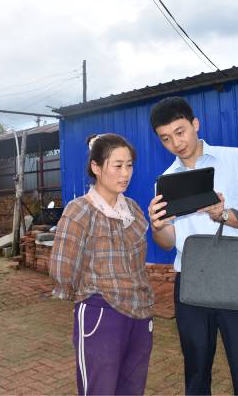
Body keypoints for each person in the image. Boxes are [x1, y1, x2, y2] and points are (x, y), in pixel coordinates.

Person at [147, 96, 238, 395]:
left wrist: (223, 214)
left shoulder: (235, 158)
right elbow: (167, 243)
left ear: (195, 124)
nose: (176, 143)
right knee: (196, 371)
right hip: (191, 281)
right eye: (165, 138)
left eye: (180, 132)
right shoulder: (166, 181)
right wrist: (157, 226)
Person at [49, 133, 154, 396]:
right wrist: (88, 295)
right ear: (96, 167)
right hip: (101, 312)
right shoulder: (80, 211)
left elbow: (139, 263)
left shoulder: (133, 209)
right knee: (100, 390)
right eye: (117, 165)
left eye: (129, 165)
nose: (125, 173)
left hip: (140, 313)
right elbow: (62, 268)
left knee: (132, 390)